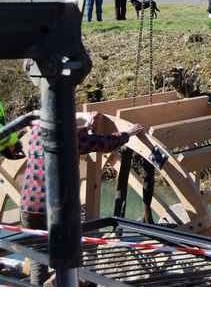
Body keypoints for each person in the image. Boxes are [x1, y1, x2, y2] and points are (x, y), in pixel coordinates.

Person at [18, 111, 143, 285]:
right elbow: (106, 143)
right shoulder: (73, 139)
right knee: (68, 255)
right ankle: (62, 284)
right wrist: (127, 133)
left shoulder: (36, 132)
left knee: (38, 259)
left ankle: (40, 288)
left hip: (29, 207)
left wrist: (85, 122)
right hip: (55, 211)